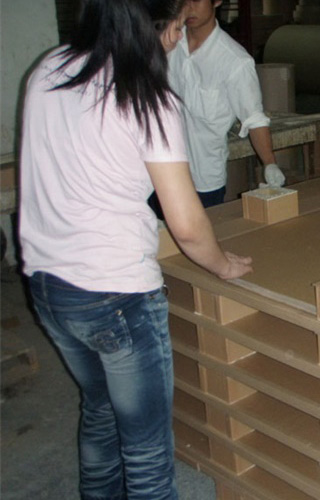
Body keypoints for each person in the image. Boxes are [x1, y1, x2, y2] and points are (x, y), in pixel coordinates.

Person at [18, 0, 252, 498]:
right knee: (148, 455)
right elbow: (187, 226)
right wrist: (223, 264)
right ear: (155, 26)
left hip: (47, 286)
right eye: (175, 27)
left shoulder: (49, 68)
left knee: (100, 411)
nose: (176, 38)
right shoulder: (147, 95)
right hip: (116, 296)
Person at [164, 0, 285, 210]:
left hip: (202, 181)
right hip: (159, 172)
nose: (188, 7)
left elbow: (253, 118)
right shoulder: (168, 42)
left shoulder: (234, 61)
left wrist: (270, 163)